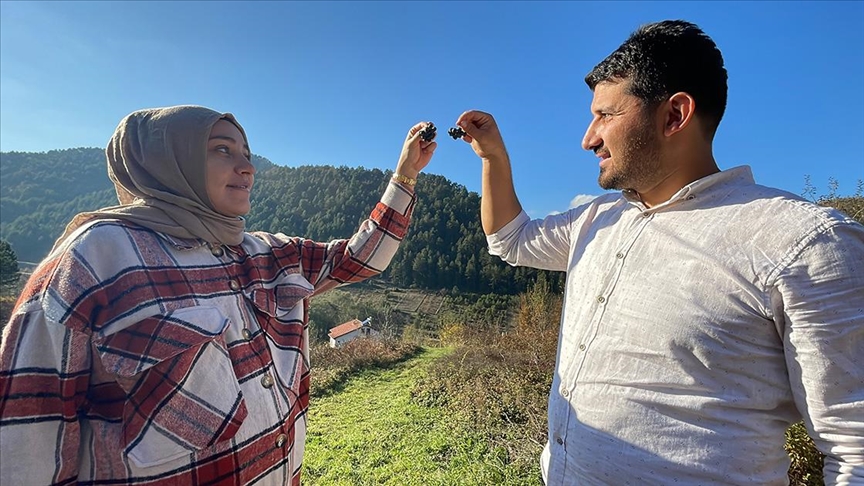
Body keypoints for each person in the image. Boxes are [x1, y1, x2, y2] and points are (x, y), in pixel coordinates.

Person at [454, 20, 863, 485]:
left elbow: (856, 449)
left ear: (674, 115)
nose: (588, 139)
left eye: (606, 116)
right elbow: (510, 238)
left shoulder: (805, 244)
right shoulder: (598, 221)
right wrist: (492, 157)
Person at [0, 105, 436, 484]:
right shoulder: (96, 260)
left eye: (246, 155)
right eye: (222, 150)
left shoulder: (265, 251)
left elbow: (359, 258)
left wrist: (405, 175)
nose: (248, 168)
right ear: (169, 161)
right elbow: (24, 449)